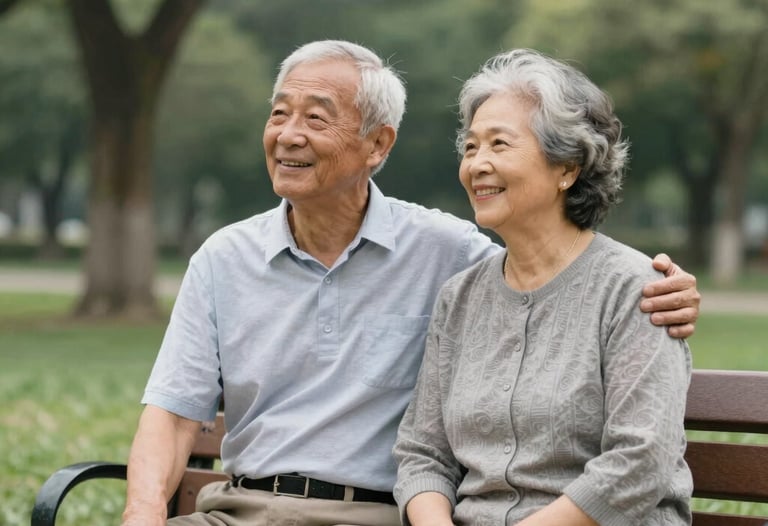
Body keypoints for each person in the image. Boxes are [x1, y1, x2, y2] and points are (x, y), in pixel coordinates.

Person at [121, 41, 700, 526]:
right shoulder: (225, 258)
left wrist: (668, 286)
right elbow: (173, 415)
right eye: (279, 113)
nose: (289, 135)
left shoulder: (449, 254)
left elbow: (560, 267)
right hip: (238, 510)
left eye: (316, 118)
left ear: (378, 144)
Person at [393, 48, 693, 526]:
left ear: (567, 167)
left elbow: (640, 459)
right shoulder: (461, 298)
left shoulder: (634, 289)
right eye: (471, 147)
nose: (477, 164)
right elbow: (422, 452)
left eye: (499, 144)